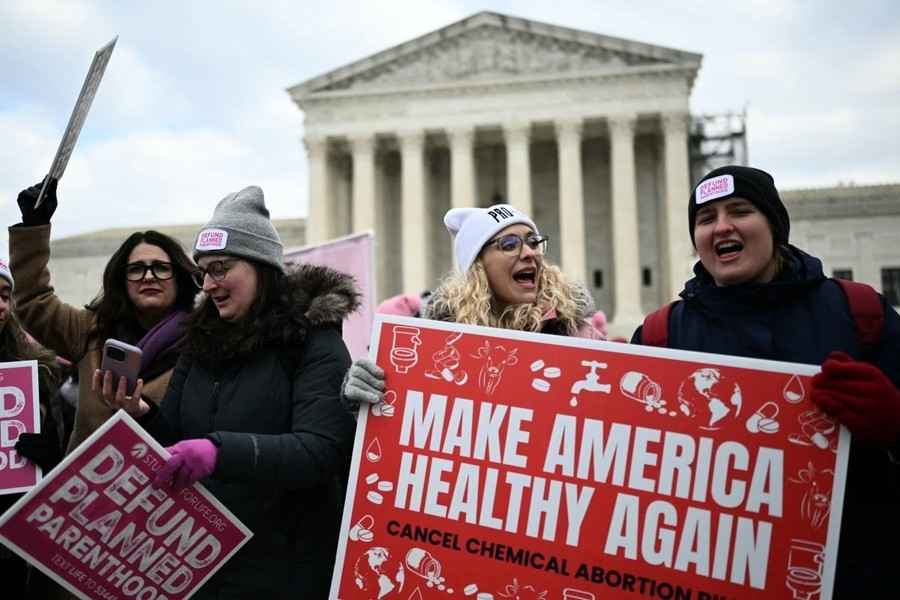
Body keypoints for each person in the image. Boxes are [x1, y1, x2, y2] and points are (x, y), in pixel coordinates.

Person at [631, 165, 900, 596]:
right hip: (712, 576)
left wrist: (896, 427)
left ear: (774, 225)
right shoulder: (661, 336)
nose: (722, 227)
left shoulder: (860, 313)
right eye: (705, 219)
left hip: (851, 575)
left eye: (740, 211)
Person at [100, 186, 359, 598]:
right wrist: (143, 414)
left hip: (286, 570)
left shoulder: (314, 341)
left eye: (221, 267)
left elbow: (321, 451)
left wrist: (220, 451)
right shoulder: (199, 345)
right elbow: (179, 441)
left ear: (260, 267)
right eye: (203, 270)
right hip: (204, 568)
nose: (209, 283)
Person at [344, 203, 604, 407]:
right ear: (478, 267)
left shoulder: (579, 336)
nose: (529, 253)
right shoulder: (435, 350)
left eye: (533, 241)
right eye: (510, 244)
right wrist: (363, 395)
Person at [9, 178, 198, 453]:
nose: (148, 277)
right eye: (136, 269)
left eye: (160, 267)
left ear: (179, 276)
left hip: (159, 489)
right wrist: (33, 228)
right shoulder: (89, 330)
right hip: (85, 487)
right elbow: (32, 300)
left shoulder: (203, 341)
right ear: (121, 280)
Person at [0, 260, 62, 597]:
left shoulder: (35, 372)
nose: (0, 305)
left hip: (17, 545)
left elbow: (62, 455)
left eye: (5, 295)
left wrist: (50, 455)